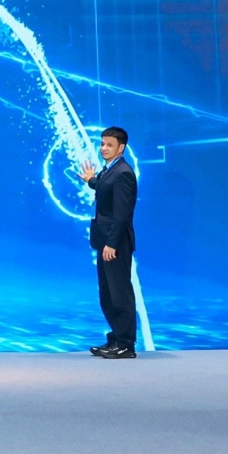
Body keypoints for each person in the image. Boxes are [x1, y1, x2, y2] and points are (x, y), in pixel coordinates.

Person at [80, 127, 138, 359]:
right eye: (102, 144)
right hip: (104, 242)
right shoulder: (111, 169)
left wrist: (112, 244)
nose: (103, 148)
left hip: (115, 244)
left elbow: (122, 214)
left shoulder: (124, 173)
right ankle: (115, 338)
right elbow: (105, 188)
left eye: (109, 145)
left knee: (120, 294)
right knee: (108, 294)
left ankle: (126, 344)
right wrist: (91, 181)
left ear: (121, 148)